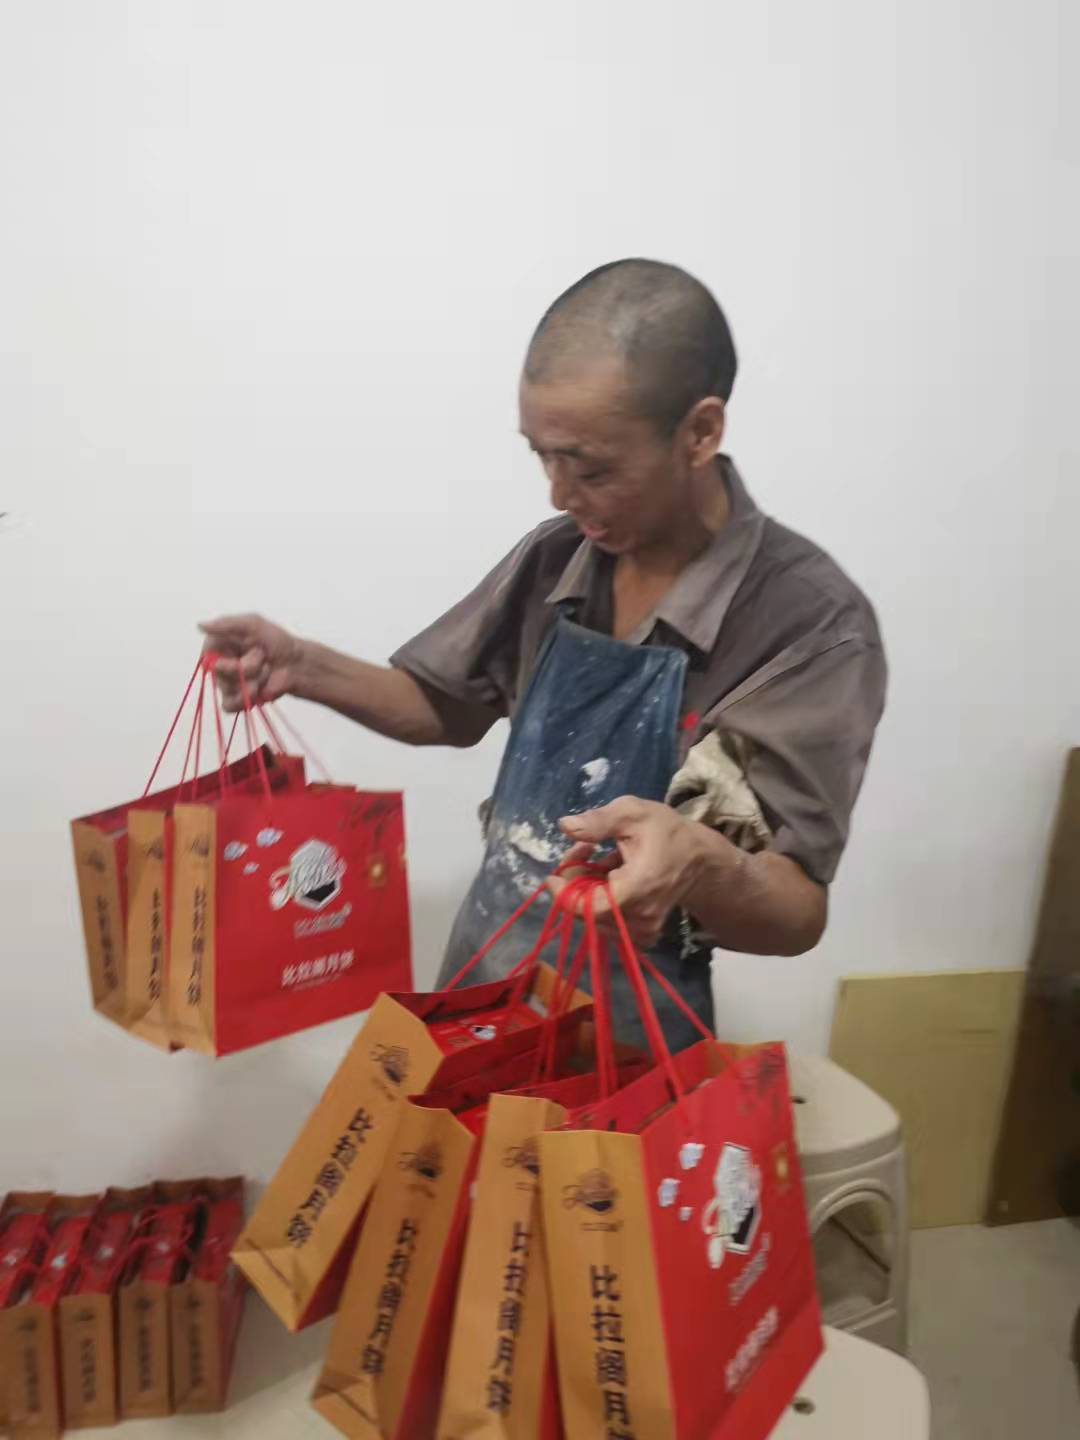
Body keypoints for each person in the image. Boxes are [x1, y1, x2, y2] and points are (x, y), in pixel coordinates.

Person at [202, 259, 886, 1050]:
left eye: (591, 468)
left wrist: (699, 863)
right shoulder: (559, 558)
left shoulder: (807, 622)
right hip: (483, 1000)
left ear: (700, 432)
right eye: (542, 456)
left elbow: (798, 909)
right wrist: (303, 667)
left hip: (631, 1051)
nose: (559, 494)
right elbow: (446, 707)